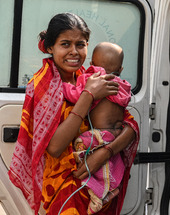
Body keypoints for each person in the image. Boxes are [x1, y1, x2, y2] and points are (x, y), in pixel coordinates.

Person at [8, 13, 139, 215]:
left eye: (80, 44)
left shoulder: (90, 76)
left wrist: (105, 152)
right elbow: (54, 147)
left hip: (101, 179)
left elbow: (129, 126)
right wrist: (88, 96)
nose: (74, 52)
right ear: (50, 48)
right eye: (65, 44)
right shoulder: (44, 84)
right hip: (67, 187)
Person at [63, 42, 131, 214]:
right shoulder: (122, 86)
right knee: (113, 165)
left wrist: (63, 86)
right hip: (115, 133)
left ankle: (96, 196)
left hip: (98, 135)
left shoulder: (93, 80)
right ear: (121, 69)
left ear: (92, 64)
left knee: (80, 149)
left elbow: (75, 94)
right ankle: (111, 190)